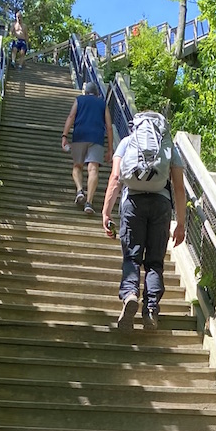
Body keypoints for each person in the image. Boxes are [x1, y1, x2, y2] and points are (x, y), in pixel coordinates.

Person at [101, 116, 186, 331]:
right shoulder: (168, 148)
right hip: (161, 204)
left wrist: (106, 212)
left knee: (132, 256)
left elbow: (115, 178)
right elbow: (179, 188)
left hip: (133, 203)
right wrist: (181, 223)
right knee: (155, 262)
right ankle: (150, 309)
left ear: (135, 126)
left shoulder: (128, 142)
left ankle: (130, 294)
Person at [60, 82, 114, 215]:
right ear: (97, 93)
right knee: (93, 168)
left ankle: (79, 190)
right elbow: (109, 126)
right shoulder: (102, 103)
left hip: (80, 136)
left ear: (85, 92)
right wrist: (110, 149)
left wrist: (64, 136)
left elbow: (71, 116)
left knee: (77, 166)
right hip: (96, 137)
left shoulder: (79, 100)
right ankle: (89, 202)